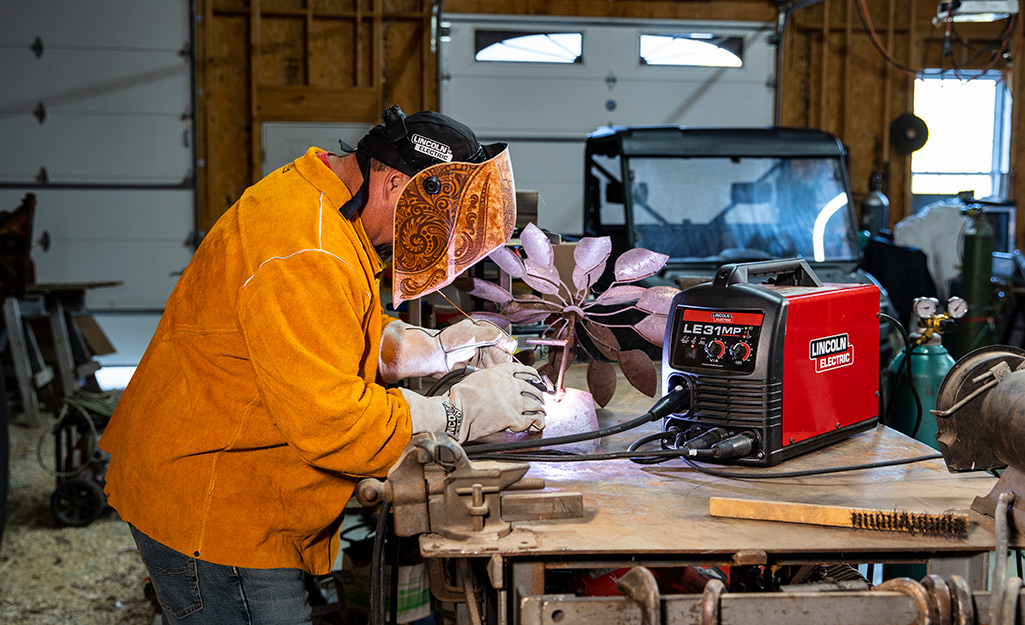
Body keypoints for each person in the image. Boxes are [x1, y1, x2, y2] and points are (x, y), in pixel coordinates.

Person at [99, 106, 546, 624]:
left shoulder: (318, 204)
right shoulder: (304, 244)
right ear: (398, 184)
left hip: (221, 478)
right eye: (437, 222)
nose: (428, 241)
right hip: (217, 509)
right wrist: (459, 412)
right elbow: (333, 423)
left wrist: (431, 346)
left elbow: (317, 327)